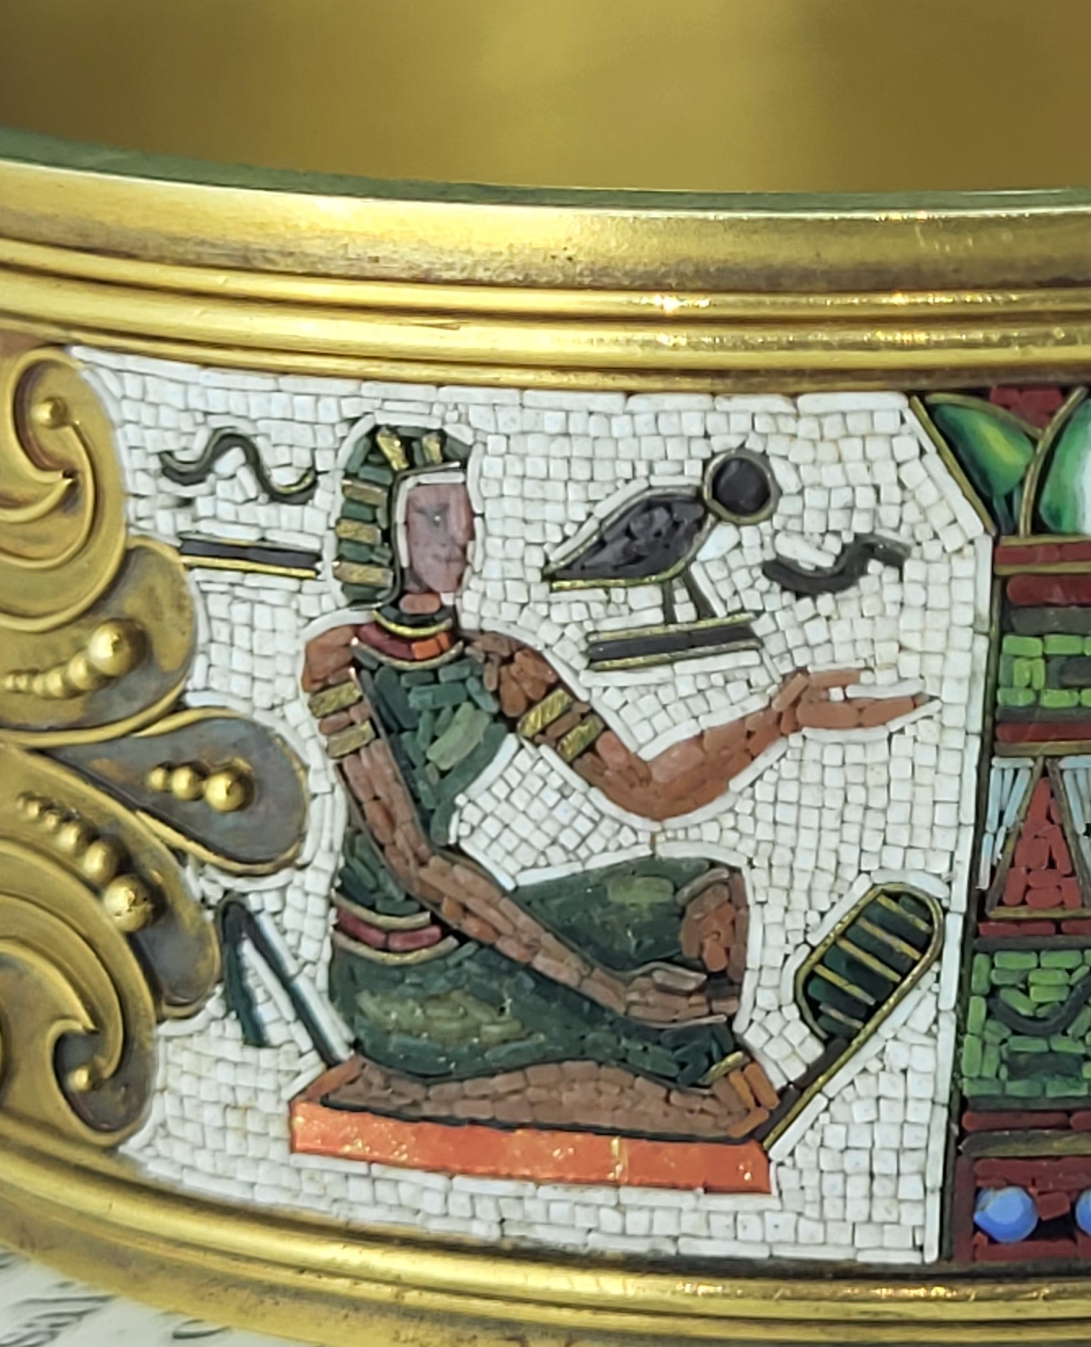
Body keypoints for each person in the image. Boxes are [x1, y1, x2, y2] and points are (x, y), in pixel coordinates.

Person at [297, 424, 918, 1141]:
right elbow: (418, 863)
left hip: (483, 931)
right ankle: (645, 1066)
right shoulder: (341, 665)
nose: (459, 536)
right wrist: (608, 988)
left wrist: (777, 721)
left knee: (707, 899)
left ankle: (693, 1048)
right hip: (397, 974)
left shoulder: (499, 665)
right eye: (434, 516)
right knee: (694, 1086)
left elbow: (647, 789)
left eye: (464, 512)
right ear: (383, 534)